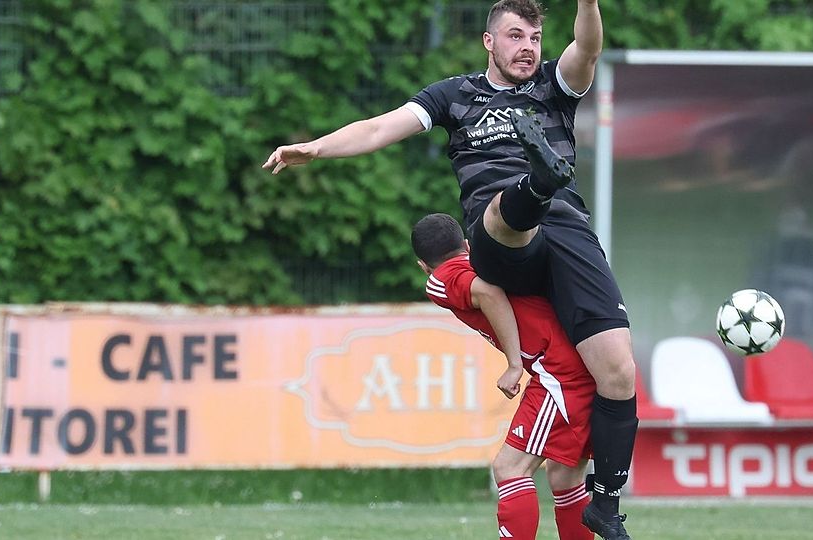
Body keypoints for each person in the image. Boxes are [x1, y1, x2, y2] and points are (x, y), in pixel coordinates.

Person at [263, 2, 638, 536]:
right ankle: (535, 183)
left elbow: (588, 48)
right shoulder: (453, 96)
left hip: (568, 234)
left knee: (617, 371)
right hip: (498, 241)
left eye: (534, 36)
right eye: (515, 36)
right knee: (501, 212)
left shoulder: (556, 85)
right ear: (489, 42)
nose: (527, 46)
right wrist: (316, 148)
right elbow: (378, 128)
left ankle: (605, 503)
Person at [413, 212, 595, 540]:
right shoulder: (487, 258)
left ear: (423, 266)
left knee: (509, 468)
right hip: (586, 362)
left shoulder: (442, 277)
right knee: (564, 476)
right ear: (466, 244)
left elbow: (487, 293)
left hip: (559, 372)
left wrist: (514, 363)